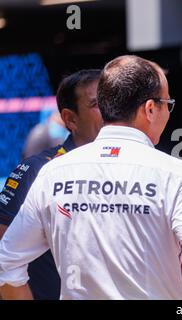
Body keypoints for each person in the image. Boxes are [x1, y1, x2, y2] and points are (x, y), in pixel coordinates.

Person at [0, 55, 182, 300]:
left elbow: (6, 261)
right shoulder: (177, 175)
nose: (169, 112)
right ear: (151, 109)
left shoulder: (53, 172)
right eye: (168, 103)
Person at [0, 69, 103, 299]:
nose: (110, 110)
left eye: (112, 100)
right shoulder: (36, 170)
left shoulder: (138, 167)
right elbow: (2, 257)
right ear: (70, 118)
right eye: (97, 103)